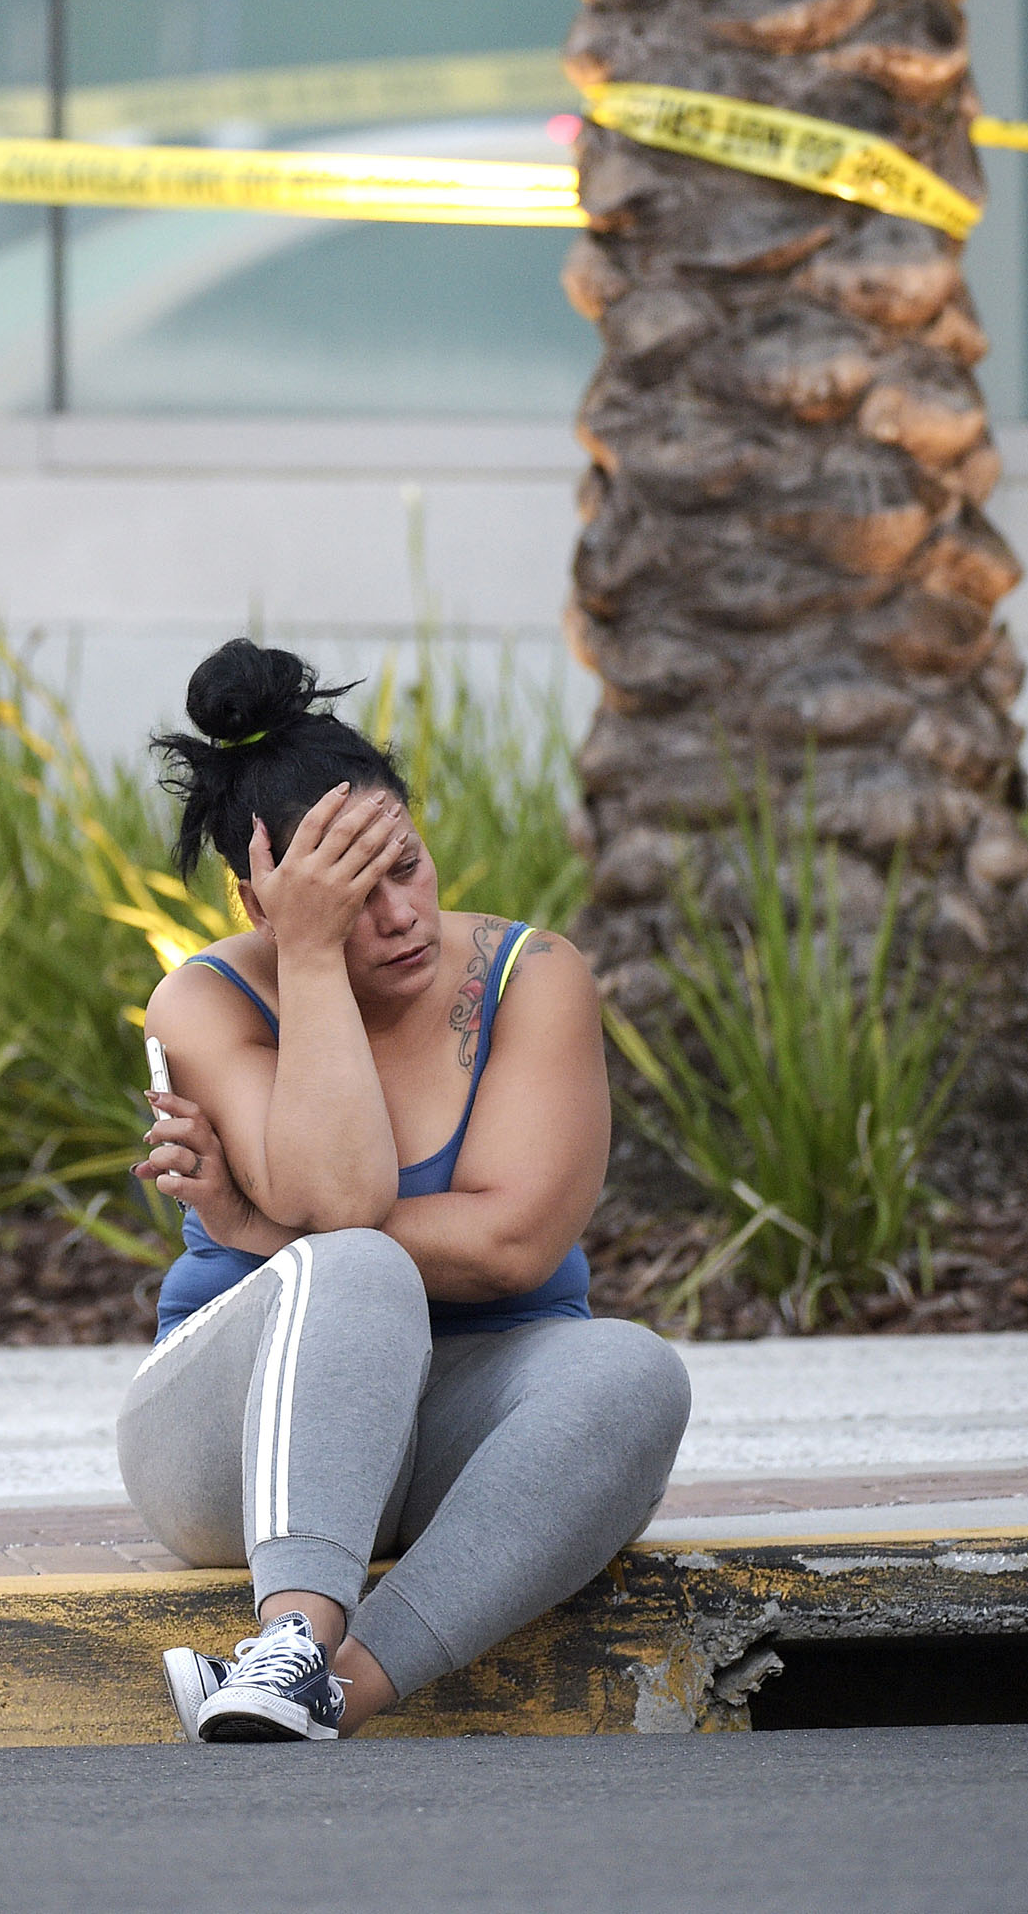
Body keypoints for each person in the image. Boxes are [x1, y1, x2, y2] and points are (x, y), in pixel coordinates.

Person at [118, 638, 690, 1744]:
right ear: (260, 898)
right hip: (233, 1444)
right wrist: (314, 958)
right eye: (345, 892)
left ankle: (332, 1688)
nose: (398, 914)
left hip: (458, 1424)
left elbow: (514, 1247)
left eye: (406, 864)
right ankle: (288, 1628)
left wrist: (248, 1221)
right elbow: (342, 1201)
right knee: (355, 1261)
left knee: (634, 1369)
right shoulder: (205, 1000)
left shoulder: (534, 978)